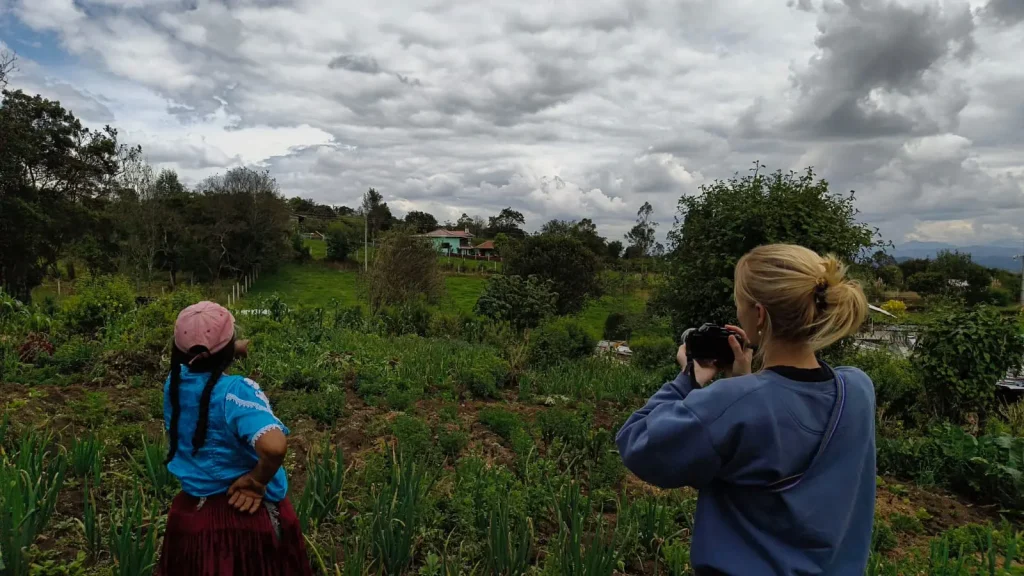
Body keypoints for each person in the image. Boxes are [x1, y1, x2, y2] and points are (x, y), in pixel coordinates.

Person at [616, 244, 875, 576]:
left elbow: (638, 443)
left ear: (760, 314)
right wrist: (746, 381)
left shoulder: (730, 402)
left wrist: (687, 380)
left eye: (740, 305)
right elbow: (782, 419)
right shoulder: (858, 389)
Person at [158, 301, 312, 576]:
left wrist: (230, 350)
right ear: (227, 351)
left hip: (193, 510)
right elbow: (274, 447)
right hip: (242, 517)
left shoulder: (175, 382)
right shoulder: (236, 393)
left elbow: (201, 362)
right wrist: (256, 482)